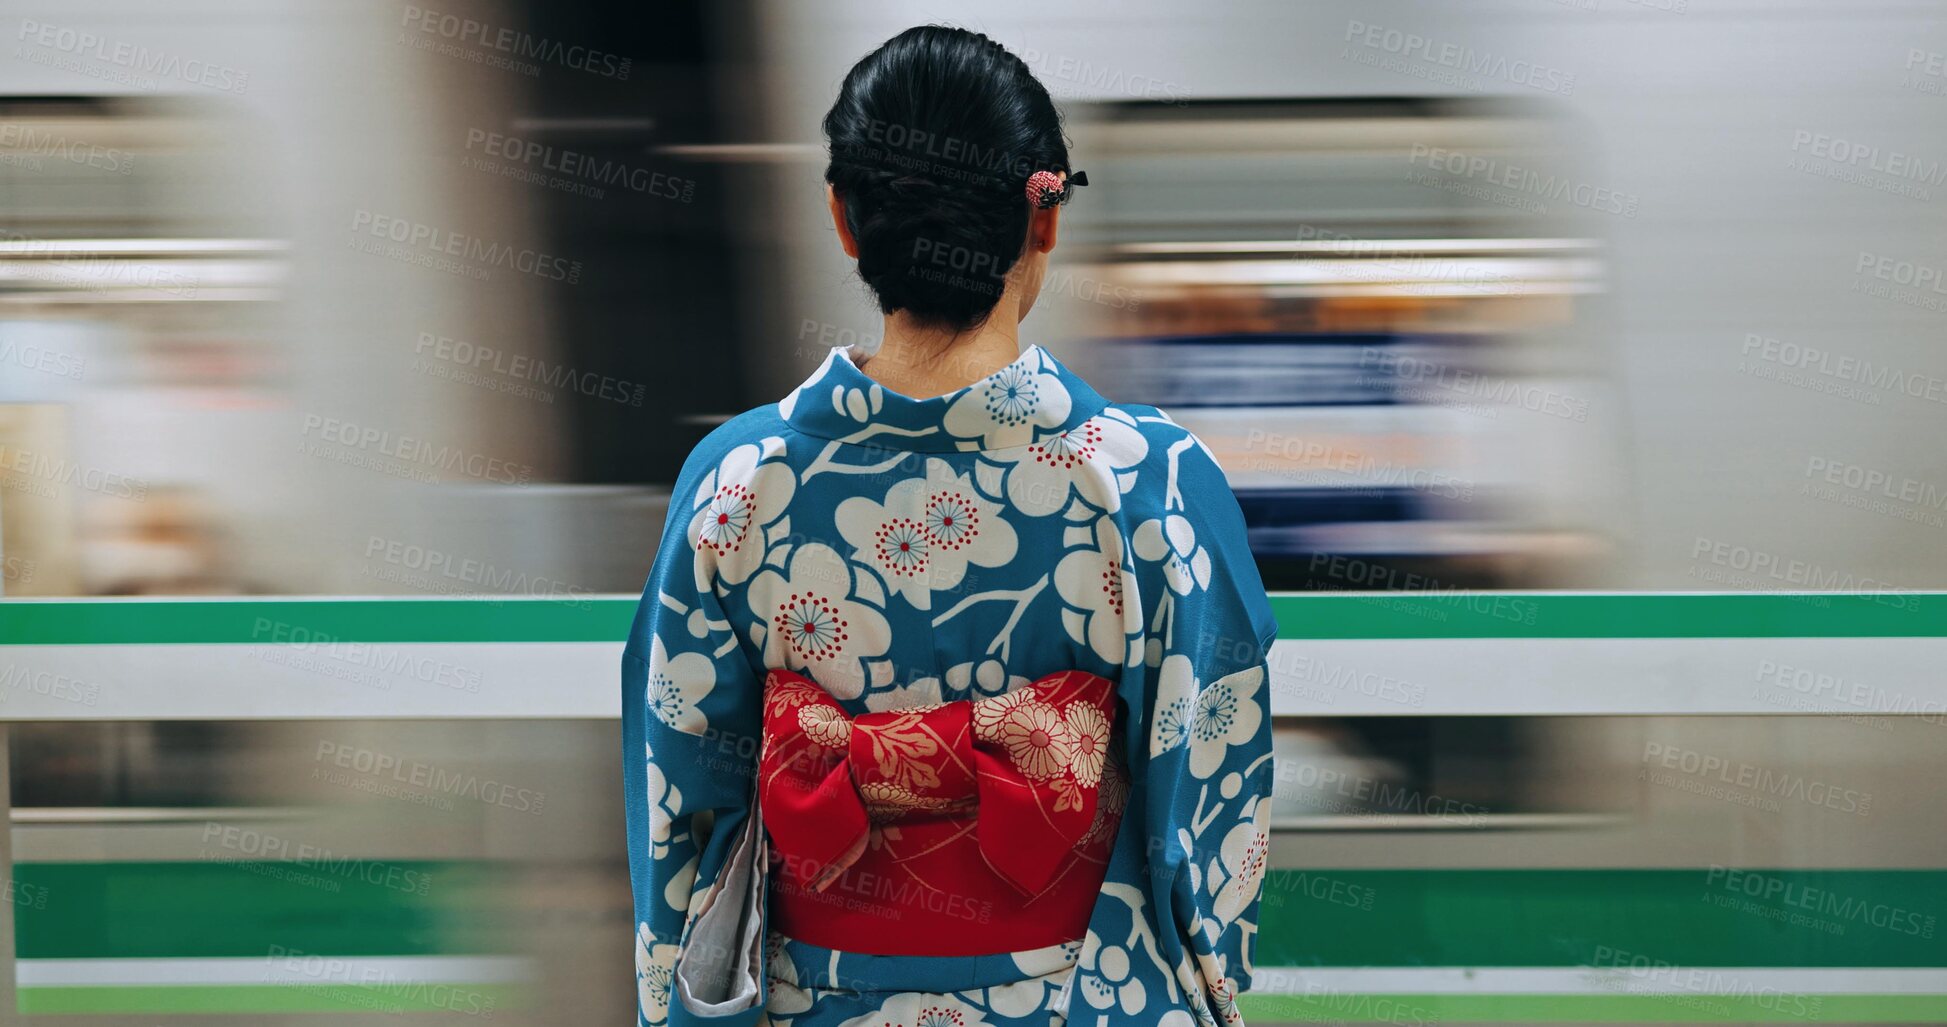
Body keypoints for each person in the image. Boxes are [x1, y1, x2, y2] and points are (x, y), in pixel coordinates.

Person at [624, 24, 1277, 1027]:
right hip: (1088, 1000)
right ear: (1044, 217)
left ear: (845, 221)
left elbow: (680, 801)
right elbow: (1211, 812)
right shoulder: (1153, 485)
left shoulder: (736, 484)